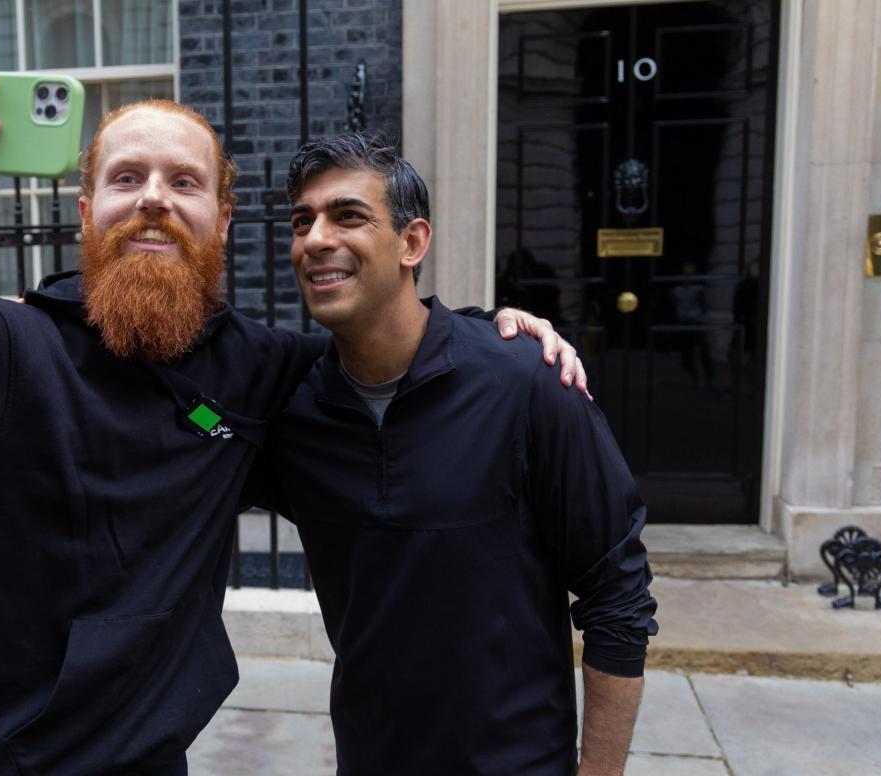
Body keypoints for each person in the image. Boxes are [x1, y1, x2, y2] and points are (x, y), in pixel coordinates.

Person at [0, 49, 586, 774]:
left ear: (222, 222)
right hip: (0, 762)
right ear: (86, 211)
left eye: (184, 182)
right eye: (126, 179)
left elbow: (393, 346)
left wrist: (494, 331)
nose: (154, 201)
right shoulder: (2, 346)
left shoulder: (259, 369)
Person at [254, 133, 658, 775]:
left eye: (347, 215)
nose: (315, 240)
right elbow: (195, 419)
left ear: (412, 242)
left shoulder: (526, 381)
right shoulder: (292, 413)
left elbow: (617, 594)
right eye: (303, 222)